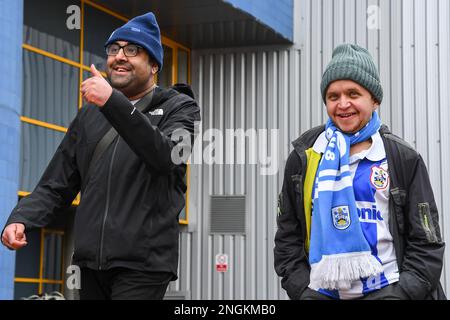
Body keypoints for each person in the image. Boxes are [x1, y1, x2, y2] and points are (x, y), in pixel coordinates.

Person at [1, 12, 200, 300]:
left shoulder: (180, 108)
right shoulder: (90, 115)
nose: (119, 56)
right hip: (88, 264)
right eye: (113, 49)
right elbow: (56, 184)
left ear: (154, 64)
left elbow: (166, 157)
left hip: (142, 266)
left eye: (132, 50)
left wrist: (111, 102)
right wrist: (21, 219)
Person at [274, 44, 446, 300]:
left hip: (388, 289)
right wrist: (303, 291)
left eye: (353, 93)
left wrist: (402, 293)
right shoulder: (305, 157)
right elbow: (288, 236)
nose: (343, 104)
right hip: (322, 293)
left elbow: (427, 241)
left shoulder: (402, 158)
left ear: (374, 100)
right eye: (333, 96)